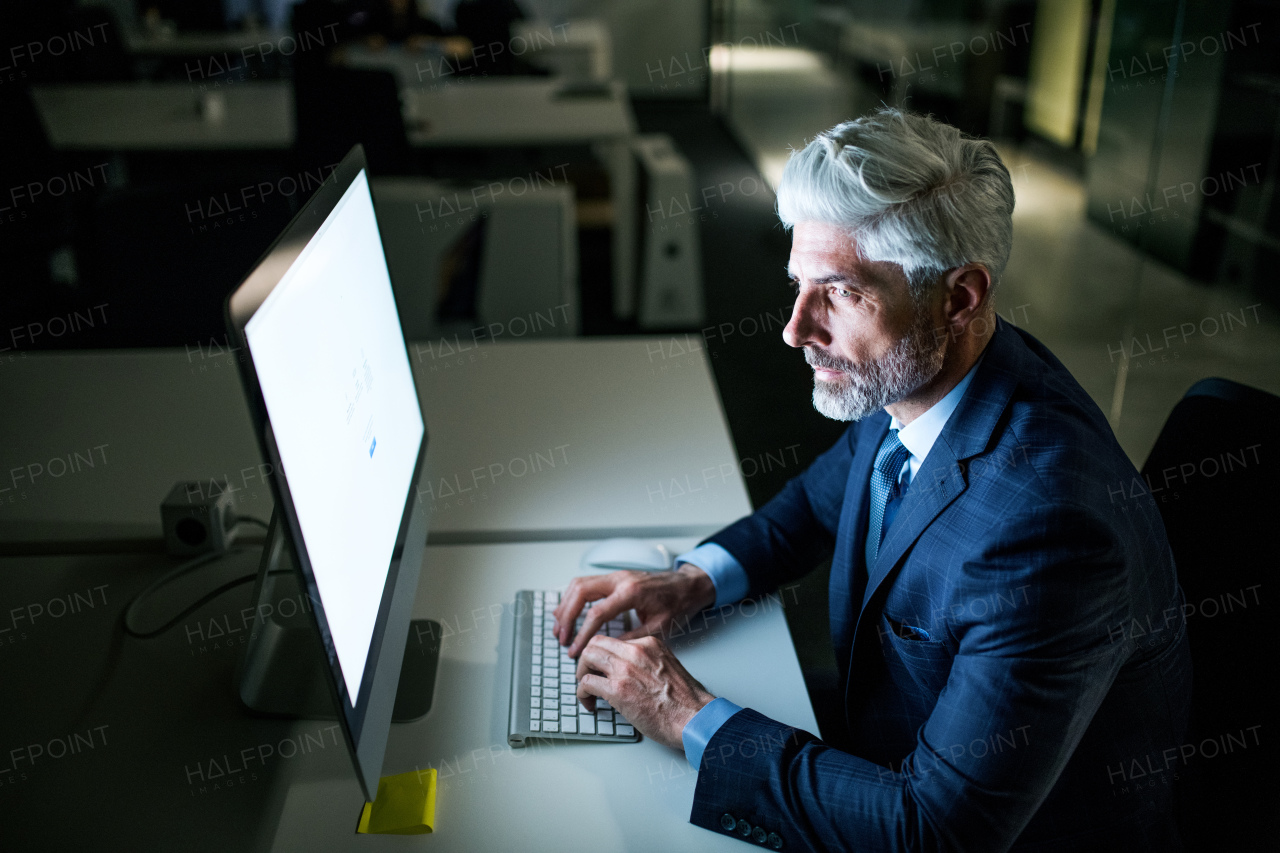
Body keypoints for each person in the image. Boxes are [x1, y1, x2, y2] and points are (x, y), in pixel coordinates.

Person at [552, 108, 1192, 851]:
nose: (796, 328)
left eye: (842, 291)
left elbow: (935, 831)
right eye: (798, 283)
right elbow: (813, 508)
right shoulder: (917, 371)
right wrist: (689, 581)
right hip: (895, 743)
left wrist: (684, 713)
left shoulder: (1048, 530)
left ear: (958, 298)